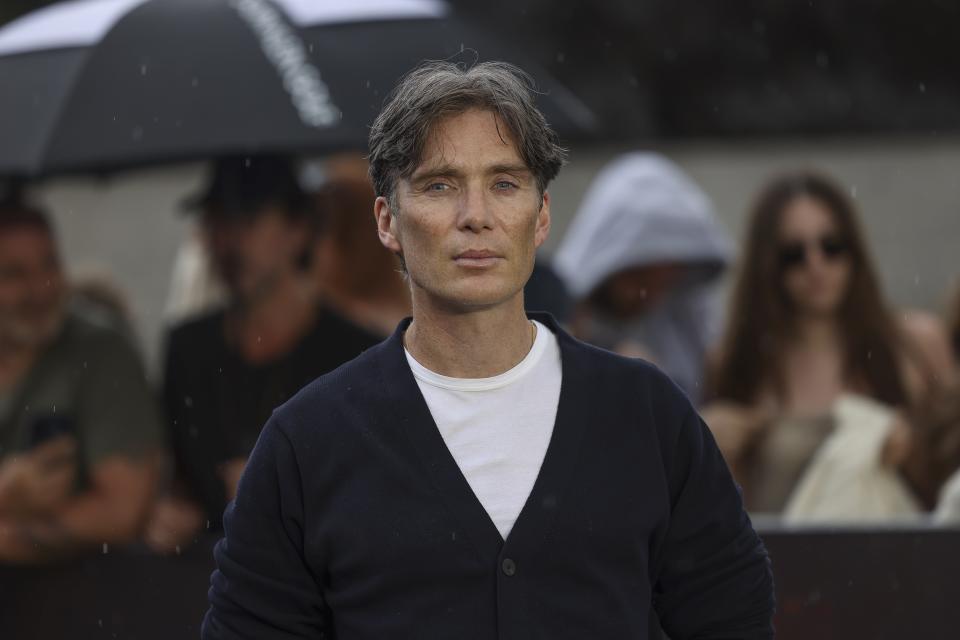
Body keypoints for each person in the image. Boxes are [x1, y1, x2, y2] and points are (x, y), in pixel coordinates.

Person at [203, 61, 773, 639]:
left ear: (541, 215)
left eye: (504, 183)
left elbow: (734, 621)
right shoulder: (307, 442)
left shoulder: (646, 414)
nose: (475, 217)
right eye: (439, 185)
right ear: (387, 221)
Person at [145, 156, 379, 553]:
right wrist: (168, 512)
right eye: (216, 221)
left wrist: (279, 495)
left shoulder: (357, 352)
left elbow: (372, 495)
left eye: (247, 221)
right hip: (205, 581)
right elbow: (175, 471)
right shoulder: (188, 347)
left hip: (315, 586)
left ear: (298, 230)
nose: (228, 242)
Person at [703, 171, 955, 512]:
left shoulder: (915, 342)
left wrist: (913, 447)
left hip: (896, 556)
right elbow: (723, 510)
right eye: (793, 254)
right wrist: (705, 448)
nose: (816, 264)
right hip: (783, 559)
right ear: (767, 265)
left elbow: (951, 468)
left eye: (831, 246)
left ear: (854, 249)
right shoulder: (736, 362)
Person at [0, 200, 162, 563]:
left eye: (49, 264)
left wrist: (15, 531)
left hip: (77, 602)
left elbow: (123, 512)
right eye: (13, 273)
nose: (40, 289)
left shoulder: (99, 350)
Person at [553, 152, 731, 403]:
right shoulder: (554, 324)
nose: (650, 295)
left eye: (666, 282)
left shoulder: (683, 318)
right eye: (640, 278)